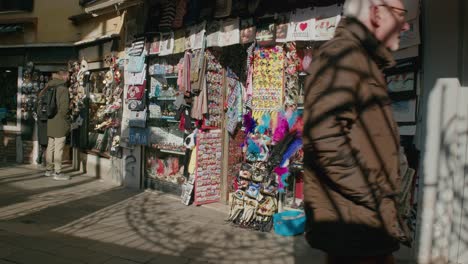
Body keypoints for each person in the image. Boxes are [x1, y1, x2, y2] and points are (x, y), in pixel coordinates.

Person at [302, 0, 410, 263]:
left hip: (365, 223)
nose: (406, 25)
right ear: (376, 13)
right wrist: (375, 192)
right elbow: (324, 137)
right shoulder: (344, 55)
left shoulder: (361, 59)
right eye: (400, 15)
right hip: (354, 225)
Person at [45, 69, 71, 180]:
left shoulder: (50, 86)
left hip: (50, 119)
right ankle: (58, 172)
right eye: (68, 76)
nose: (69, 78)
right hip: (59, 121)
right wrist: (66, 119)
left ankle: (48, 170)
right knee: (59, 148)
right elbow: (64, 109)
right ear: (64, 76)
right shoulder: (63, 89)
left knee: (50, 146)